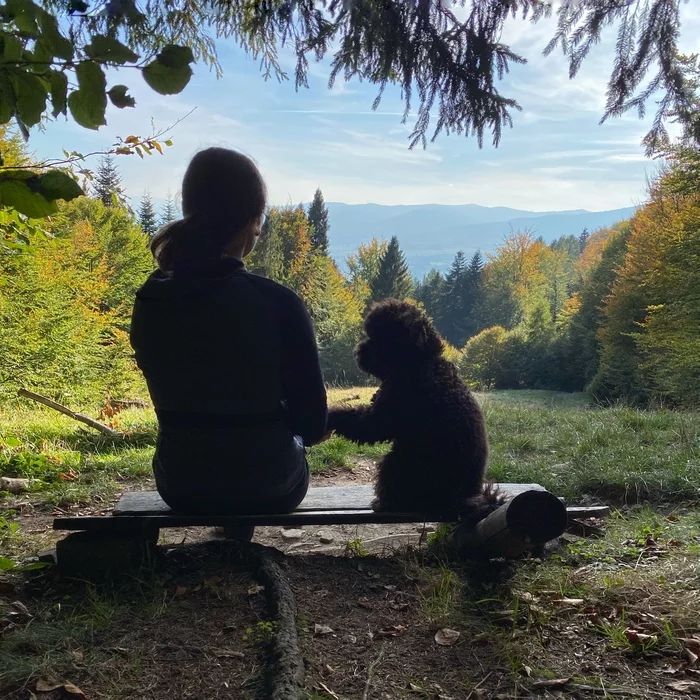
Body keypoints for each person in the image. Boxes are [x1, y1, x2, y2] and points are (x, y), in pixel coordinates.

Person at [130, 147, 327, 519]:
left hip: (181, 484)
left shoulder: (151, 297)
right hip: (271, 486)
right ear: (253, 221)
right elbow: (313, 427)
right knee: (275, 449)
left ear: (190, 211)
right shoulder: (279, 303)